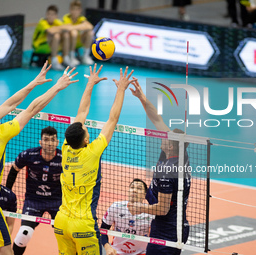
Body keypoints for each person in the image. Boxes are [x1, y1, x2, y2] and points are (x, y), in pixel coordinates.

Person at [0, 62, 78, 255]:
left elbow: (10, 104)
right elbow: (31, 109)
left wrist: (33, 83)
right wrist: (57, 86)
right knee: (5, 251)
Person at [53, 64, 136, 254]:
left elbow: (81, 113)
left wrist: (90, 84)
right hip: (82, 225)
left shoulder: (65, 148)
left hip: (61, 222)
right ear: (86, 139)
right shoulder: (92, 151)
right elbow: (112, 119)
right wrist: (121, 89)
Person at [128, 80, 191, 255]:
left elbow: (162, 209)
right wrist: (142, 97)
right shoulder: (180, 153)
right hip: (177, 225)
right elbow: (156, 118)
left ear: (170, 145)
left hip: (167, 231)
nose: (161, 138)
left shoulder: (168, 170)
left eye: (165, 138)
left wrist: (139, 208)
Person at [5, 126, 62, 255]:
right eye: (46, 140)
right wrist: (7, 193)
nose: (49, 143)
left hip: (57, 201)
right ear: (40, 142)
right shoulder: (29, 155)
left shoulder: (64, 158)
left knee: (66, 236)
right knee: (24, 235)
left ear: (57, 142)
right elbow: (14, 170)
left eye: (53, 140)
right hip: (33, 200)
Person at [101, 179, 154, 255]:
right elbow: (103, 230)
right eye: (132, 187)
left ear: (144, 195)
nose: (134, 190)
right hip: (117, 252)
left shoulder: (150, 213)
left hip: (141, 253)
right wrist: (107, 247)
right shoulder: (116, 207)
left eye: (139, 188)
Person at [32, 5, 66, 70]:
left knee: (66, 35)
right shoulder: (42, 22)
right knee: (56, 35)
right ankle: (54, 61)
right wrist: (61, 29)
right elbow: (51, 31)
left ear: (56, 16)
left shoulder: (57, 22)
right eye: (49, 14)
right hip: (39, 46)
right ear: (46, 14)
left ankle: (67, 57)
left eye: (52, 14)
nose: (50, 16)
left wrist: (62, 29)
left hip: (49, 44)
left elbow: (67, 28)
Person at [61, 0, 94, 67]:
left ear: (80, 10)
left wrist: (74, 27)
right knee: (74, 32)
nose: (75, 12)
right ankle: (71, 56)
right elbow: (68, 28)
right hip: (68, 42)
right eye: (73, 9)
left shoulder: (81, 18)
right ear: (70, 10)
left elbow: (90, 26)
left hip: (78, 41)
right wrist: (81, 26)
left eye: (77, 9)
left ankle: (85, 56)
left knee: (90, 33)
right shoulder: (66, 17)